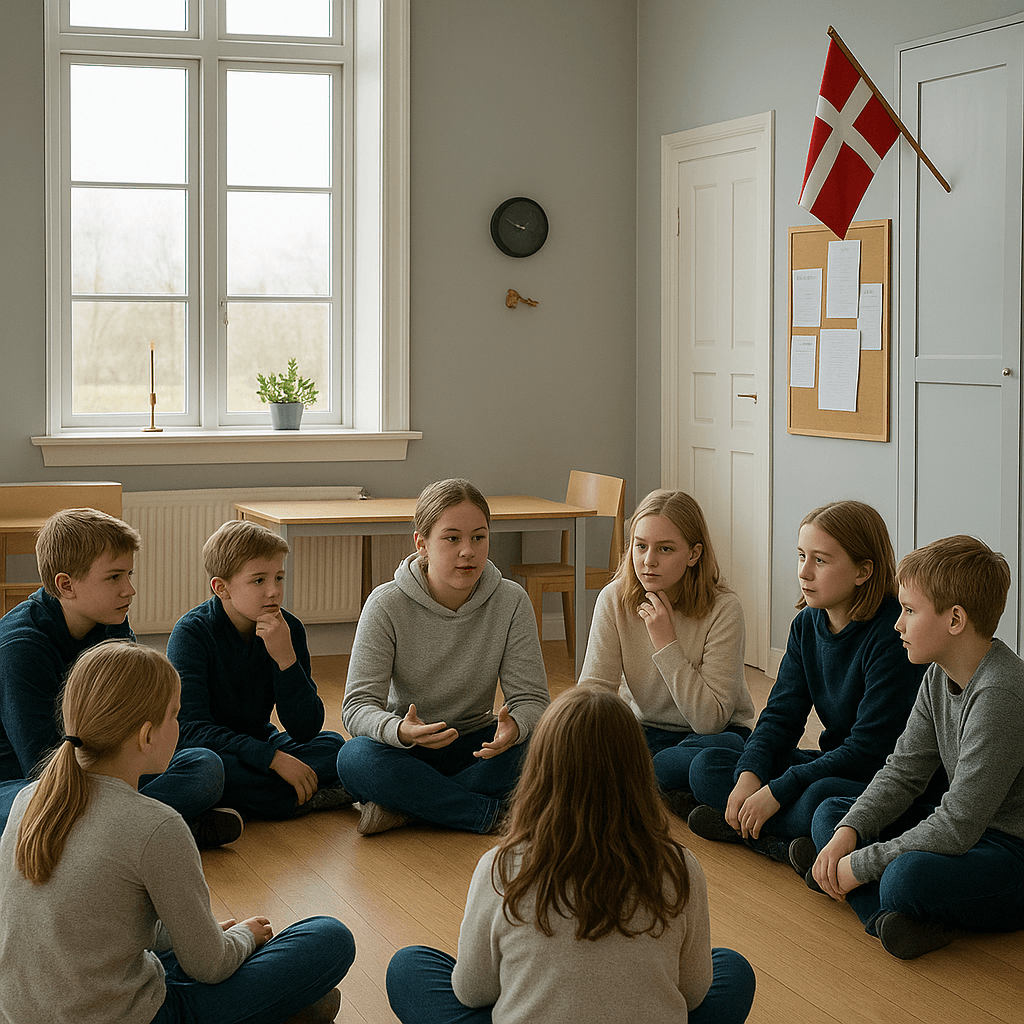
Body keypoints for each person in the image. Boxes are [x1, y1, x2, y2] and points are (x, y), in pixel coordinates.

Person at [0, 641, 353, 1024]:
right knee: (330, 938)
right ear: (146, 735)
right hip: (128, 1016)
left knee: (175, 948)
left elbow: (97, 919)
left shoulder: (27, 799)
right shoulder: (157, 825)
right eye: (175, 715)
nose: (180, 726)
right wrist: (244, 938)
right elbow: (211, 967)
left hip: (22, 1012)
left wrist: (201, 936)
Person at [386, 685, 756, 1024]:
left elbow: (472, 990)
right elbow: (692, 994)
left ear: (539, 773)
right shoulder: (681, 867)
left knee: (408, 968)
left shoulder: (500, 867)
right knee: (733, 970)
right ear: (640, 771)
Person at [809, 536, 1024, 959]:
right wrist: (847, 836)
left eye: (909, 611)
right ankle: (898, 920)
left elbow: (958, 825)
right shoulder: (937, 674)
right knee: (831, 816)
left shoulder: (1001, 693)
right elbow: (902, 772)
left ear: (955, 619)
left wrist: (860, 865)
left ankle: (878, 899)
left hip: (1008, 852)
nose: (898, 624)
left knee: (903, 879)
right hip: (963, 833)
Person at [687, 500, 926, 875]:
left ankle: (755, 833)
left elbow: (869, 752)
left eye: (820, 560)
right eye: (801, 556)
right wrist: (750, 776)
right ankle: (784, 843)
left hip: (874, 775)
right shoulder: (805, 626)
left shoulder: (892, 636)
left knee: (817, 800)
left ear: (864, 570)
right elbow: (781, 716)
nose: (804, 572)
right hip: (833, 761)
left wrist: (777, 791)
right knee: (708, 767)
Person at [0, 508, 238, 847]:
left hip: (106, 772)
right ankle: (157, 830)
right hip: (27, 783)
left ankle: (118, 835)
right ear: (66, 585)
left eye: (129, 574)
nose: (130, 590)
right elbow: (41, 764)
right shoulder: (20, 646)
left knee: (205, 767)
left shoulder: (111, 621)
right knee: (28, 808)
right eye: (114, 577)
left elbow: (137, 711)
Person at [337, 478, 550, 836]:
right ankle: (490, 815)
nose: (467, 550)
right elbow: (357, 706)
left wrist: (516, 728)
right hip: (407, 749)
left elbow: (532, 700)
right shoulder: (385, 604)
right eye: (452, 538)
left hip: (480, 746)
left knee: (547, 746)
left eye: (478, 537)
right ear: (422, 544)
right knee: (354, 758)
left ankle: (408, 808)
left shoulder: (511, 601)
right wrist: (401, 730)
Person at [579, 489, 754, 818]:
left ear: (694, 553)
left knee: (684, 764)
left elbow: (710, 719)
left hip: (716, 736)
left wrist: (666, 642)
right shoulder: (614, 599)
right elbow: (594, 690)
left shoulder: (724, 609)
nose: (648, 561)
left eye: (665, 549)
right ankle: (686, 802)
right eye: (640, 545)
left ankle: (662, 790)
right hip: (646, 732)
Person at [167, 520, 350, 820]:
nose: (273, 591)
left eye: (278, 578)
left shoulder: (288, 628)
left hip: (259, 741)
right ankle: (290, 799)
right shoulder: (191, 633)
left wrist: (286, 660)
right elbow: (189, 729)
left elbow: (306, 728)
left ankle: (241, 802)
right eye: (258, 581)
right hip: (214, 750)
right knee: (205, 769)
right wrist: (273, 759)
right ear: (221, 588)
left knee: (334, 747)